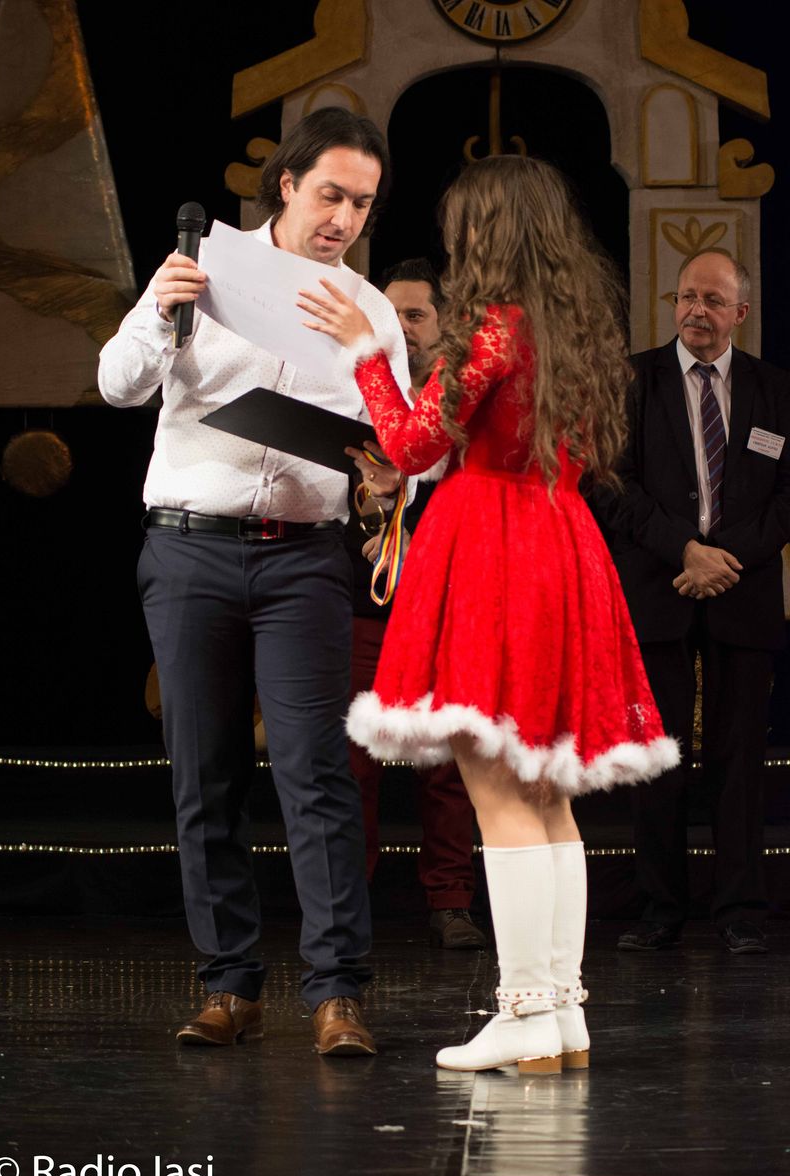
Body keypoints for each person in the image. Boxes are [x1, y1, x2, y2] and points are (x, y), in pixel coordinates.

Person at [298, 155, 679, 1073]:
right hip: (558, 542)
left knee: (501, 791)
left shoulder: (498, 327)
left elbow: (409, 442)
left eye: (466, 224)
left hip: (495, 552)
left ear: (492, 230)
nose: (457, 240)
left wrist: (365, 352)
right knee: (546, 797)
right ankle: (561, 1014)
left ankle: (524, 1014)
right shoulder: (571, 326)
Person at [98, 107, 411, 1056]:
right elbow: (117, 384)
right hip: (191, 548)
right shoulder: (202, 268)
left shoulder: (372, 310)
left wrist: (388, 467)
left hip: (304, 557)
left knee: (317, 774)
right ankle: (228, 986)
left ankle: (337, 993)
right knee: (206, 774)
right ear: (287, 185)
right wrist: (161, 312)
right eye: (330, 196)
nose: (344, 219)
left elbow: (407, 449)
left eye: (362, 204)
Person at [590, 248, 790, 955]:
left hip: (743, 591)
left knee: (740, 761)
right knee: (658, 757)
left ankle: (740, 911)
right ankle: (660, 908)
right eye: (686, 298)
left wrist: (725, 560)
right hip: (660, 588)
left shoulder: (775, 390)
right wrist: (685, 551)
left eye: (712, 300)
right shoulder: (630, 382)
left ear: (741, 313)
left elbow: (785, 496)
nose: (696, 311)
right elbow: (609, 482)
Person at [347, 258, 485, 949]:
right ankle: (348, 905)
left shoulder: (464, 399)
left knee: (448, 766)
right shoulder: (350, 392)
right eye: (390, 314)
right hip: (360, 607)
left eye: (416, 315)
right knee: (352, 765)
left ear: (445, 322)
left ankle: (451, 900)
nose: (401, 328)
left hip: (446, 608)